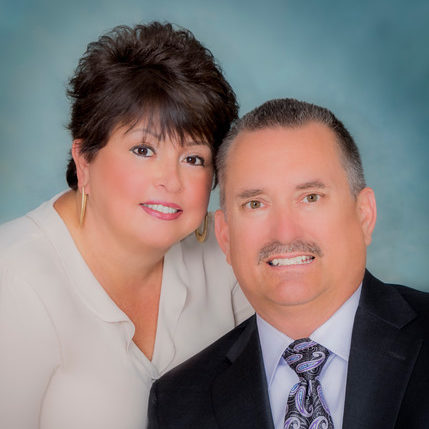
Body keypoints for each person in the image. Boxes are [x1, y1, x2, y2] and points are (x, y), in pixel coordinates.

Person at [0, 22, 253, 429]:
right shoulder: (13, 281)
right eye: (143, 149)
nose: (171, 181)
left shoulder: (224, 250)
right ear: (84, 160)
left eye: (193, 158)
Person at [148, 98, 429, 429]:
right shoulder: (177, 404)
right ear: (225, 236)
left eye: (310, 198)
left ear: (364, 215)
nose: (284, 232)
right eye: (255, 204)